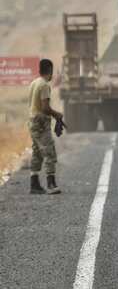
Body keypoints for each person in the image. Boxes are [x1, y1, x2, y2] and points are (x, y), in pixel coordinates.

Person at [28, 59, 64, 195]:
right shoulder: (44, 85)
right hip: (41, 122)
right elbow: (45, 108)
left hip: (32, 121)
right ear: (49, 70)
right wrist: (57, 115)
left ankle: (34, 183)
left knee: (37, 152)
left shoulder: (34, 83)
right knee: (49, 152)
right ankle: (51, 184)